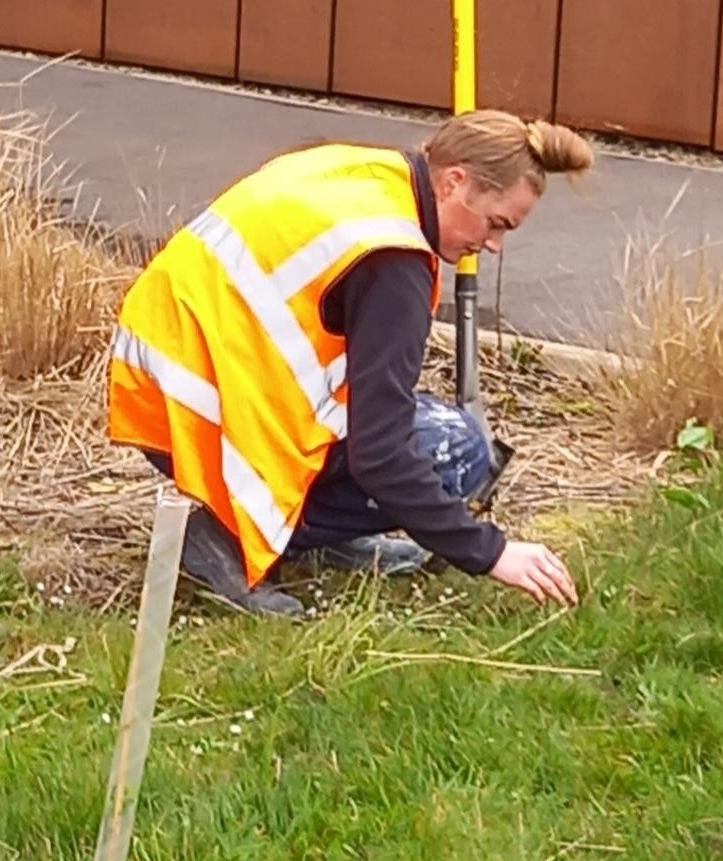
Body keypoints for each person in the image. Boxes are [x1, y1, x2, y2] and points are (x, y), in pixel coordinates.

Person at [108, 110, 592, 616]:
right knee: (454, 448)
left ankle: (308, 530)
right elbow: (380, 455)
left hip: (161, 382)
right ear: (456, 182)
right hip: (203, 410)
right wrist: (490, 552)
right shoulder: (392, 261)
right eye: (497, 223)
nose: (493, 245)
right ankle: (227, 537)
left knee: (405, 428)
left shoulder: (368, 174)